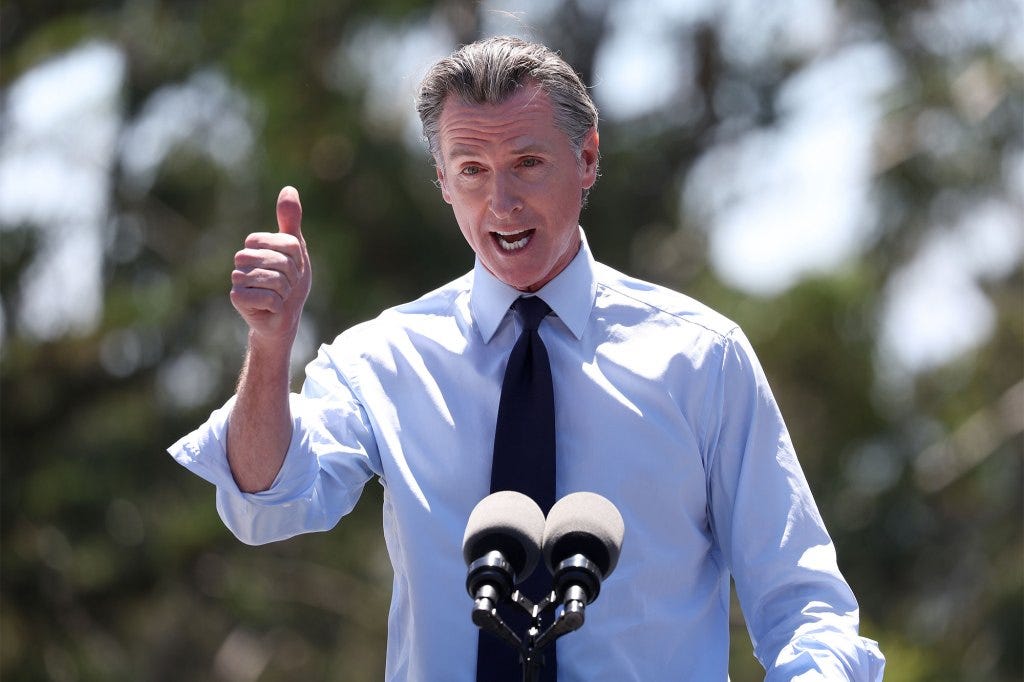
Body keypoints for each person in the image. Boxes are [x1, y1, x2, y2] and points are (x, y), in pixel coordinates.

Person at [169, 36, 885, 681]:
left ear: (589, 158)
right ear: (443, 181)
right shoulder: (383, 359)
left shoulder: (701, 359)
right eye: (472, 169)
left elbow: (802, 604)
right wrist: (270, 345)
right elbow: (264, 502)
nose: (501, 201)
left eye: (528, 163)